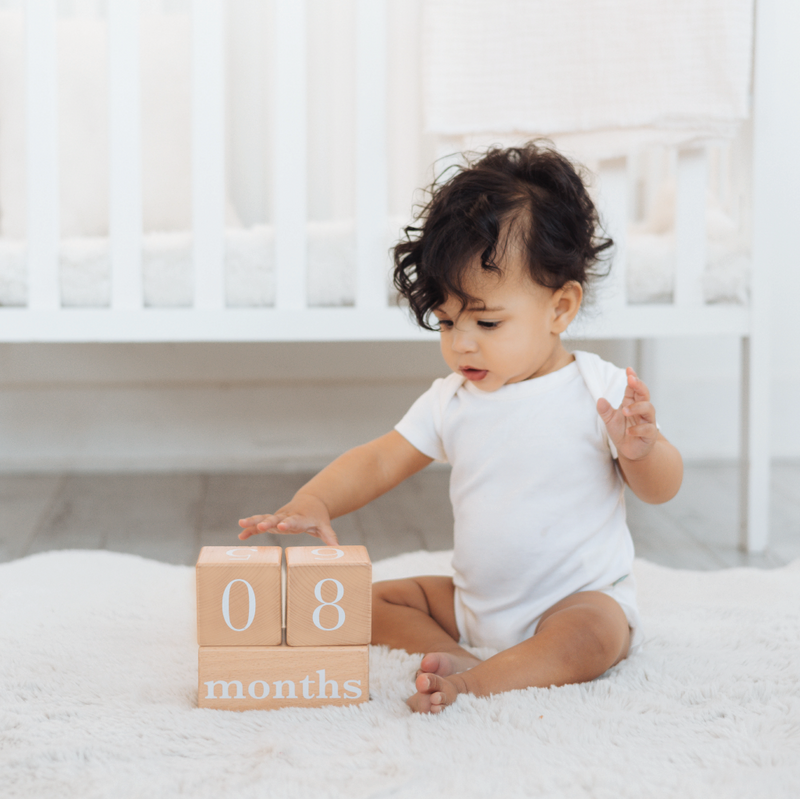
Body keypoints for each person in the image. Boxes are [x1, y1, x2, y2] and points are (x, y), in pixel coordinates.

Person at [238, 142, 683, 714]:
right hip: (476, 605)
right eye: (447, 321)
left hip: (576, 601)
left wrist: (641, 452)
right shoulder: (452, 399)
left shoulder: (599, 390)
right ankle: (458, 655)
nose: (461, 343)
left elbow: (661, 487)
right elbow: (379, 460)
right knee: (366, 602)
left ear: (561, 309)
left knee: (595, 636)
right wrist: (315, 500)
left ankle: (474, 685)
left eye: (487, 321)